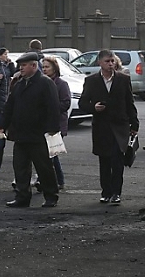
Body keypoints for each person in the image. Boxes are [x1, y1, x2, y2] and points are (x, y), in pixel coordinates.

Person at [0, 51, 61, 208]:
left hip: (39, 134)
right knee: (20, 168)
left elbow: (53, 107)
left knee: (44, 167)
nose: (21, 68)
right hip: (20, 134)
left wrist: (52, 129)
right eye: (20, 65)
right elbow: (9, 106)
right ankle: (22, 197)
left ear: (33, 65)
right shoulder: (19, 84)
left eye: (24, 65)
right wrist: (2, 124)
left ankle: (51, 196)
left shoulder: (45, 83)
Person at [79, 49, 139, 204]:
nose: (111, 64)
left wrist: (134, 123)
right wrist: (94, 107)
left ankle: (116, 193)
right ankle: (106, 192)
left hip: (120, 126)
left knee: (118, 160)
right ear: (99, 63)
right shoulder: (91, 81)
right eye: (107, 61)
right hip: (102, 127)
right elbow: (83, 103)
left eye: (112, 61)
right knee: (104, 161)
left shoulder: (123, 79)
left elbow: (129, 103)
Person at [42, 56, 71, 190]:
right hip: (43, 123)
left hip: (57, 124)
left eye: (47, 67)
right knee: (49, 154)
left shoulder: (61, 84)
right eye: (43, 67)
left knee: (51, 153)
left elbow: (65, 104)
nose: (44, 69)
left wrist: (50, 107)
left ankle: (55, 181)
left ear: (54, 68)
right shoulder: (42, 83)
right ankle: (56, 181)